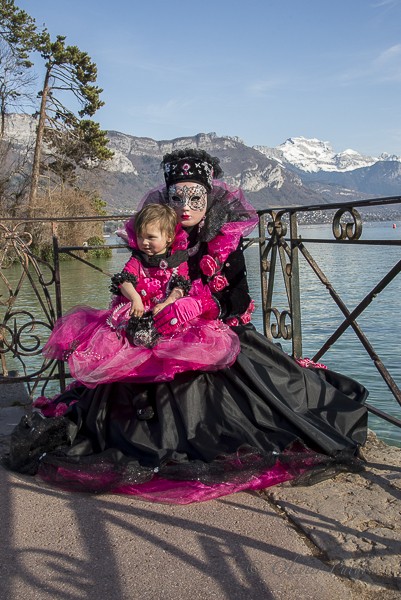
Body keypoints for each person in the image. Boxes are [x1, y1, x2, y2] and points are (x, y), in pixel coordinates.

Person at [4, 148, 368, 504]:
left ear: (210, 198)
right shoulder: (158, 237)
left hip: (213, 337)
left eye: (196, 197)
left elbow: (237, 300)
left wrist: (199, 305)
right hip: (156, 334)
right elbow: (132, 278)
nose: (187, 206)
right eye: (178, 197)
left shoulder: (224, 239)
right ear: (167, 200)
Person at [41, 203, 239, 388]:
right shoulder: (138, 259)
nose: (144, 242)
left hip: (168, 313)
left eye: (151, 237)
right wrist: (135, 298)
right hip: (136, 312)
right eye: (141, 236)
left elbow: (181, 286)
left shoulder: (179, 260)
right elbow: (124, 280)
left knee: (179, 347)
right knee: (124, 347)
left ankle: (169, 391)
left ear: (169, 237)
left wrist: (170, 302)